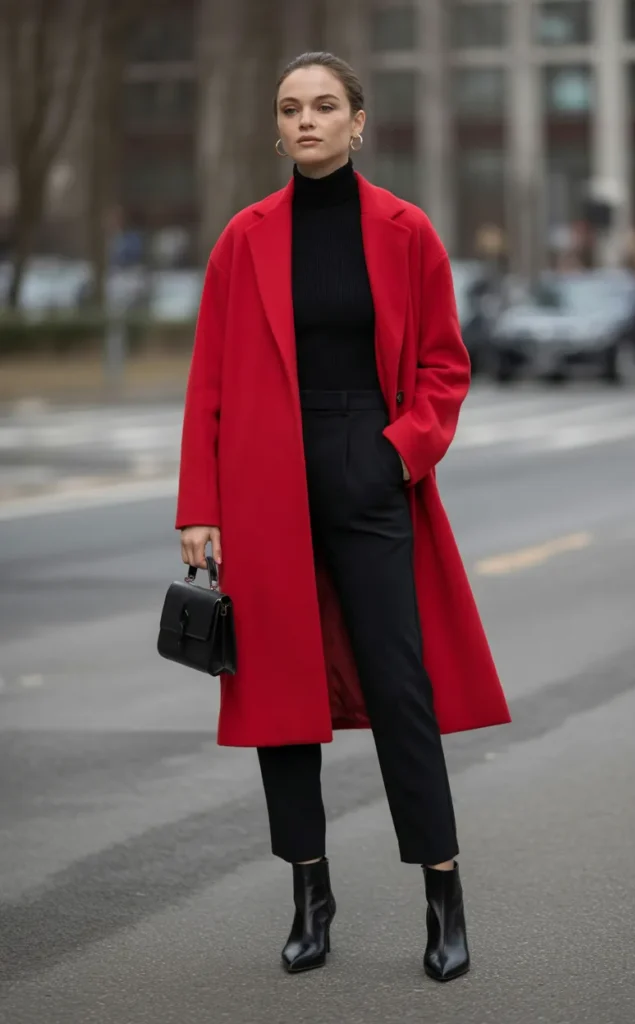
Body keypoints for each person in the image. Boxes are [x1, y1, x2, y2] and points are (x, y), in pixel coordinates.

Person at [176, 51, 510, 981]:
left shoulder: (406, 230)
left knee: (401, 690)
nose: (306, 121)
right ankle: (309, 898)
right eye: (291, 108)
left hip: (370, 471)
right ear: (277, 128)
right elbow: (208, 379)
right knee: (283, 695)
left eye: (324, 106)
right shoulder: (243, 238)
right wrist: (199, 505)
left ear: (357, 122)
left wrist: (396, 453)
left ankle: (442, 895)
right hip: (264, 483)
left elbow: (443, 365)